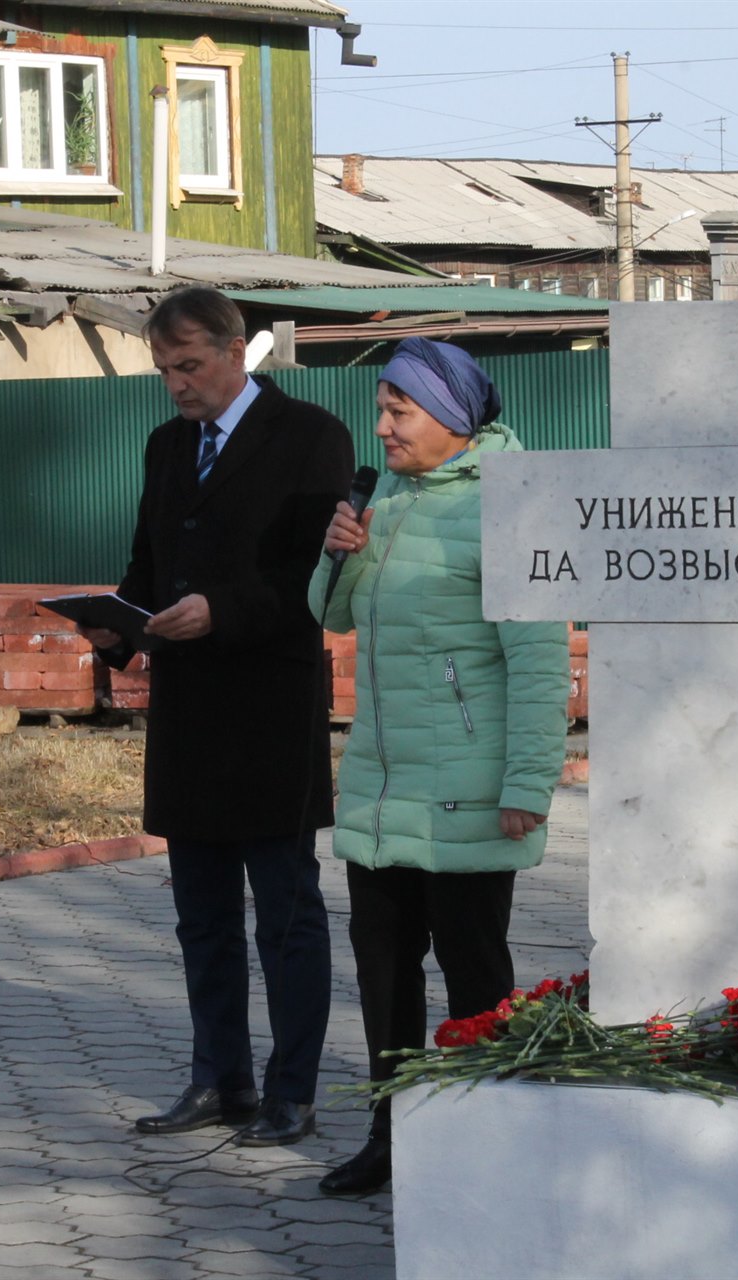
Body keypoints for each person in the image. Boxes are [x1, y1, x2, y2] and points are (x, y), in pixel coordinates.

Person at [81, 287, 352, 1147]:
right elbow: (148, 563)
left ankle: (292, 1091)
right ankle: (219, 1078)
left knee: (286, 914)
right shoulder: (167, 445)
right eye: (164, 370)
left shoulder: (310, 435)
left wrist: (222, 611)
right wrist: (116, 624)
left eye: (190, 366)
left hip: (270, 708)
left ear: (237, 351)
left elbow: (315, 578)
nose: (177, 385)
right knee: (201, 915)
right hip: (189, 712)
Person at [306, 337, 570, 1194]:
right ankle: (393, 1139)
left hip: (469, 790)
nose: (382, 427)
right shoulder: (388, 496)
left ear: (453, 418)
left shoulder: (508, 508)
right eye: (381, 410)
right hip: (384, 789)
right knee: (384, 976)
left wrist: (527, 784)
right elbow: (332, 618)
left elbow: (538, 662)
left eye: (399, 411)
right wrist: (339, 550)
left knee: (474, 975)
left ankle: (487, 1148)